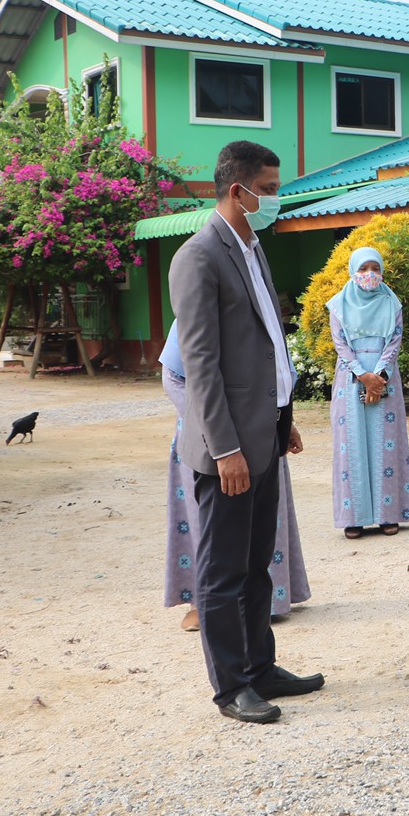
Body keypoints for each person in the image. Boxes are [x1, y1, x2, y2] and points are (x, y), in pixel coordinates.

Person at [166, 140, 324, 724]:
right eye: (270, 189)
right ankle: (231, 687)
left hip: (265, 433)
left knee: (258, 563)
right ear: (239, 191)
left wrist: (284, 416)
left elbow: (266, 345)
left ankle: (261, 667)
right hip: (227, 448)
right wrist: (226, 448)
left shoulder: (252, 248)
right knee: (223, 571)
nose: (276, 199)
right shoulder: (199, 257)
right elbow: (201, 364)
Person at [160, 320, 310, 630]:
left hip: (261, 431)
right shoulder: (198, 308)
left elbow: (277, 375)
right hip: (209, 438)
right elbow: (174, 377)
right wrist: (218, 434)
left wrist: (286, 421)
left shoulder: (259, 310)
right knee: (210, 521)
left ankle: (269, 600)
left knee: (262, 520)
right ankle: (204, 603)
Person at [326, 247, 409, 539]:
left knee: (385, 443)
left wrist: (379, 376)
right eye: (364, 268)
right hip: (351, 378)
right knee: (351, 443)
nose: (370, 274)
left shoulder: (392, 303)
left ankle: (388, 514)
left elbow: (394, 342)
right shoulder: (338, 305)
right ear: (353, 271)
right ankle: (353, 517)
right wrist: (363, 375)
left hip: (384, 376)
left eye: (375, 268)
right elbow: (340, 344)